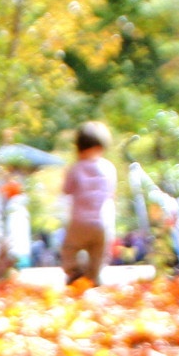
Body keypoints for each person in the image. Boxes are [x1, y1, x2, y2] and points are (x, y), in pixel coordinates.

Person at [60, 122, 116, 285]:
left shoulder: (75, 169)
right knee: (97, 257)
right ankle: (94, 278)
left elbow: (66, 190)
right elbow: (110, 193)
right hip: (102, 223)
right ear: (101, 147)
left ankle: (74, 273)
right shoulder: (108, 168)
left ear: (78, 147)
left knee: (69, 249)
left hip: (79, 222)